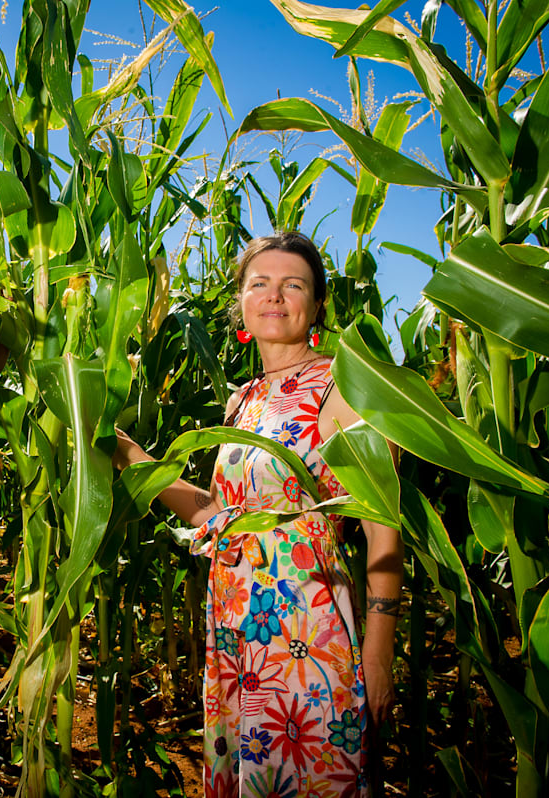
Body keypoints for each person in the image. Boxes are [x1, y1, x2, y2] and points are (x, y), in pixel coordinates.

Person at [113, 232, 403, 797]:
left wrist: (380, 647)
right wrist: (126, 452)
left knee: (313, 769)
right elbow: (217, 513)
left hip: (305, 623)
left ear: (317, 303)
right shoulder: (240, 400)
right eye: (259, 283)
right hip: (238, 621)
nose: (275, 296)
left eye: (293, 285)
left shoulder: (344, 387)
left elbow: (381, 527)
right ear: (241, 301)